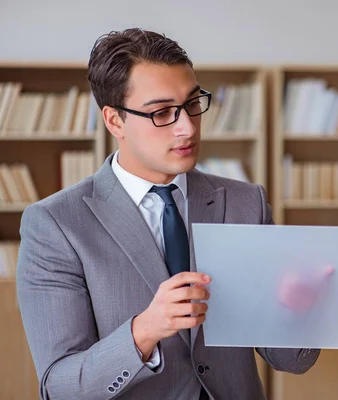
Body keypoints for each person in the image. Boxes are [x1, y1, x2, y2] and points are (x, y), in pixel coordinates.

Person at [16, 28, 319, 400]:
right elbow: (60, 387)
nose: (187, 127)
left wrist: (299, 307)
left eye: (193, 103)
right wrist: (145, 330)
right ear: (114, 121)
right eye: (162, 112)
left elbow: (292, 359)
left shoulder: (246, 203)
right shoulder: (56, 224)